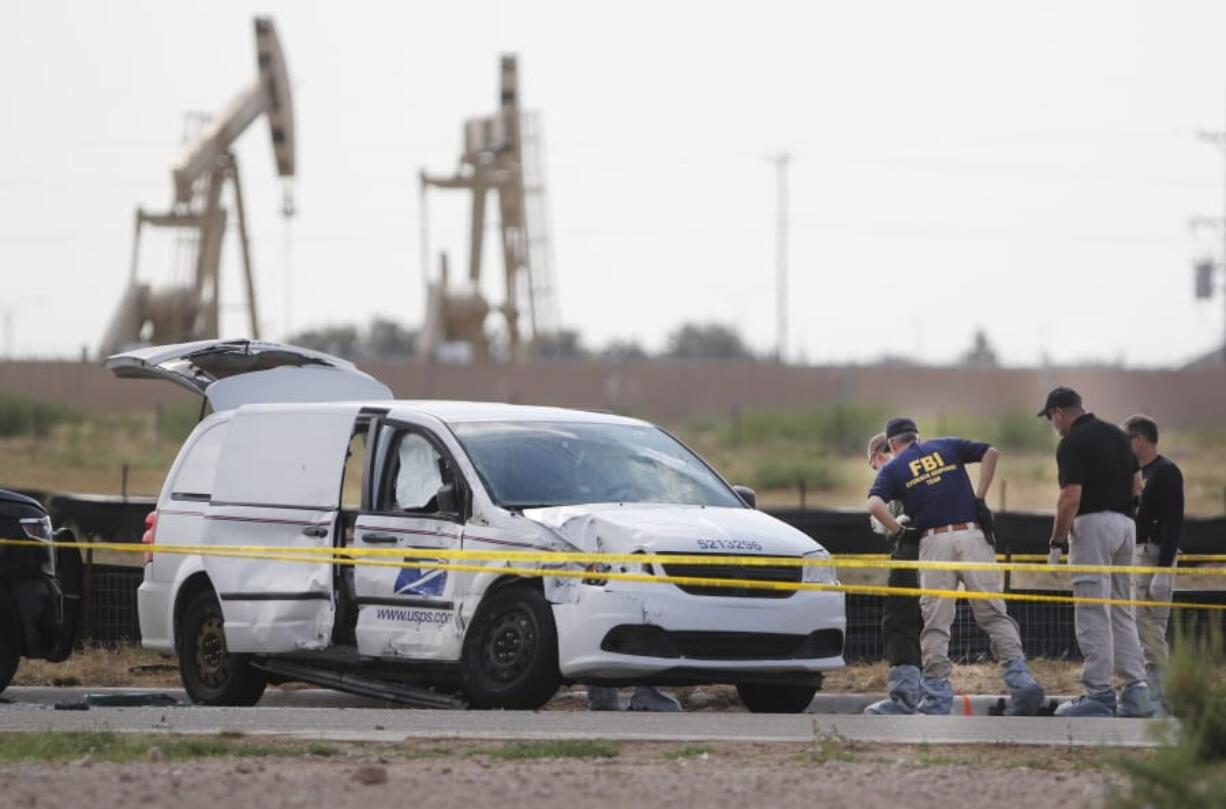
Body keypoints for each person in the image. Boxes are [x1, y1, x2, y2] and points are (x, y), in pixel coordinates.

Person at [866, 418, 1045, 716]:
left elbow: (874, 506)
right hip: (973, 536)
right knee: (993, 614)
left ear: (892, 444)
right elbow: (991, 452)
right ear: (917, 436)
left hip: (934, 542)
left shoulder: (895, 467)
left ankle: (936, 698)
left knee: (936, 622)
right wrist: (980, 497)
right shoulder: (944, 446)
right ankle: (1021, 682)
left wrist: (897, 531)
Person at [1039, 387, 1154, 718]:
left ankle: (1099, 693)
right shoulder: (1119, 436)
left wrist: (1056, 541)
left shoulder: (1072, 443)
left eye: (1051, 419)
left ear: (1059, 413)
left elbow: (1070, 497)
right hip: (1126, 526)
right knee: (1121, 609)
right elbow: (1137, 486)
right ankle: (1136, 691)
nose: (1053, 425)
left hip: (1092, 526)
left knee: (1092, 608)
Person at [1122, 413, 1184, 713]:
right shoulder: (1136, 474)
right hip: (1139, 553)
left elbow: (1173, 523)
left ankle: (1159, 691)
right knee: (1138, 622)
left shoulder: (1166, 472)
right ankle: (1149, 684)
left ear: (1139, 439)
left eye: (1125, 440)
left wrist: (1163, 568)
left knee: (1151, 623)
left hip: (1156, 553)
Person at [863, 433, 924, 715]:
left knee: (900, 621)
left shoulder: (892, 472)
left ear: (878, 456)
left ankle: (904, 698)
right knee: (930, 624)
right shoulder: (926, 467)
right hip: (940, 552)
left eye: (873, 465)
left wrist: (896, 531)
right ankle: (929, 694)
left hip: (910, 555)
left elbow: (880, 510)